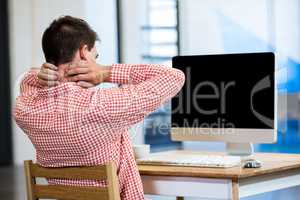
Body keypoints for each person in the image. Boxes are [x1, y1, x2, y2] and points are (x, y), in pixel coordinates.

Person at [14, 16, 185, 200]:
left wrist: (40, 77)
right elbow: (175, 77)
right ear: (83, 52)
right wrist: (106, 72)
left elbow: (24, 81)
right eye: (95, 57)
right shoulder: (101, 106)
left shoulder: (26, 109)